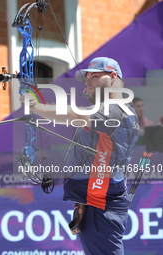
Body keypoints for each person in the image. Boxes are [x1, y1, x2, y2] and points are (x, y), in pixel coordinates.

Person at [20, 57, 139, 255]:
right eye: (86, 80)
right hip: (99, 203)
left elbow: (77, 116)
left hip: (101, 205)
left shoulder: (116, 109)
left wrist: (35, 107)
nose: (87, 82)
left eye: (94, 76)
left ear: (112, 77)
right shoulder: (118, 107)